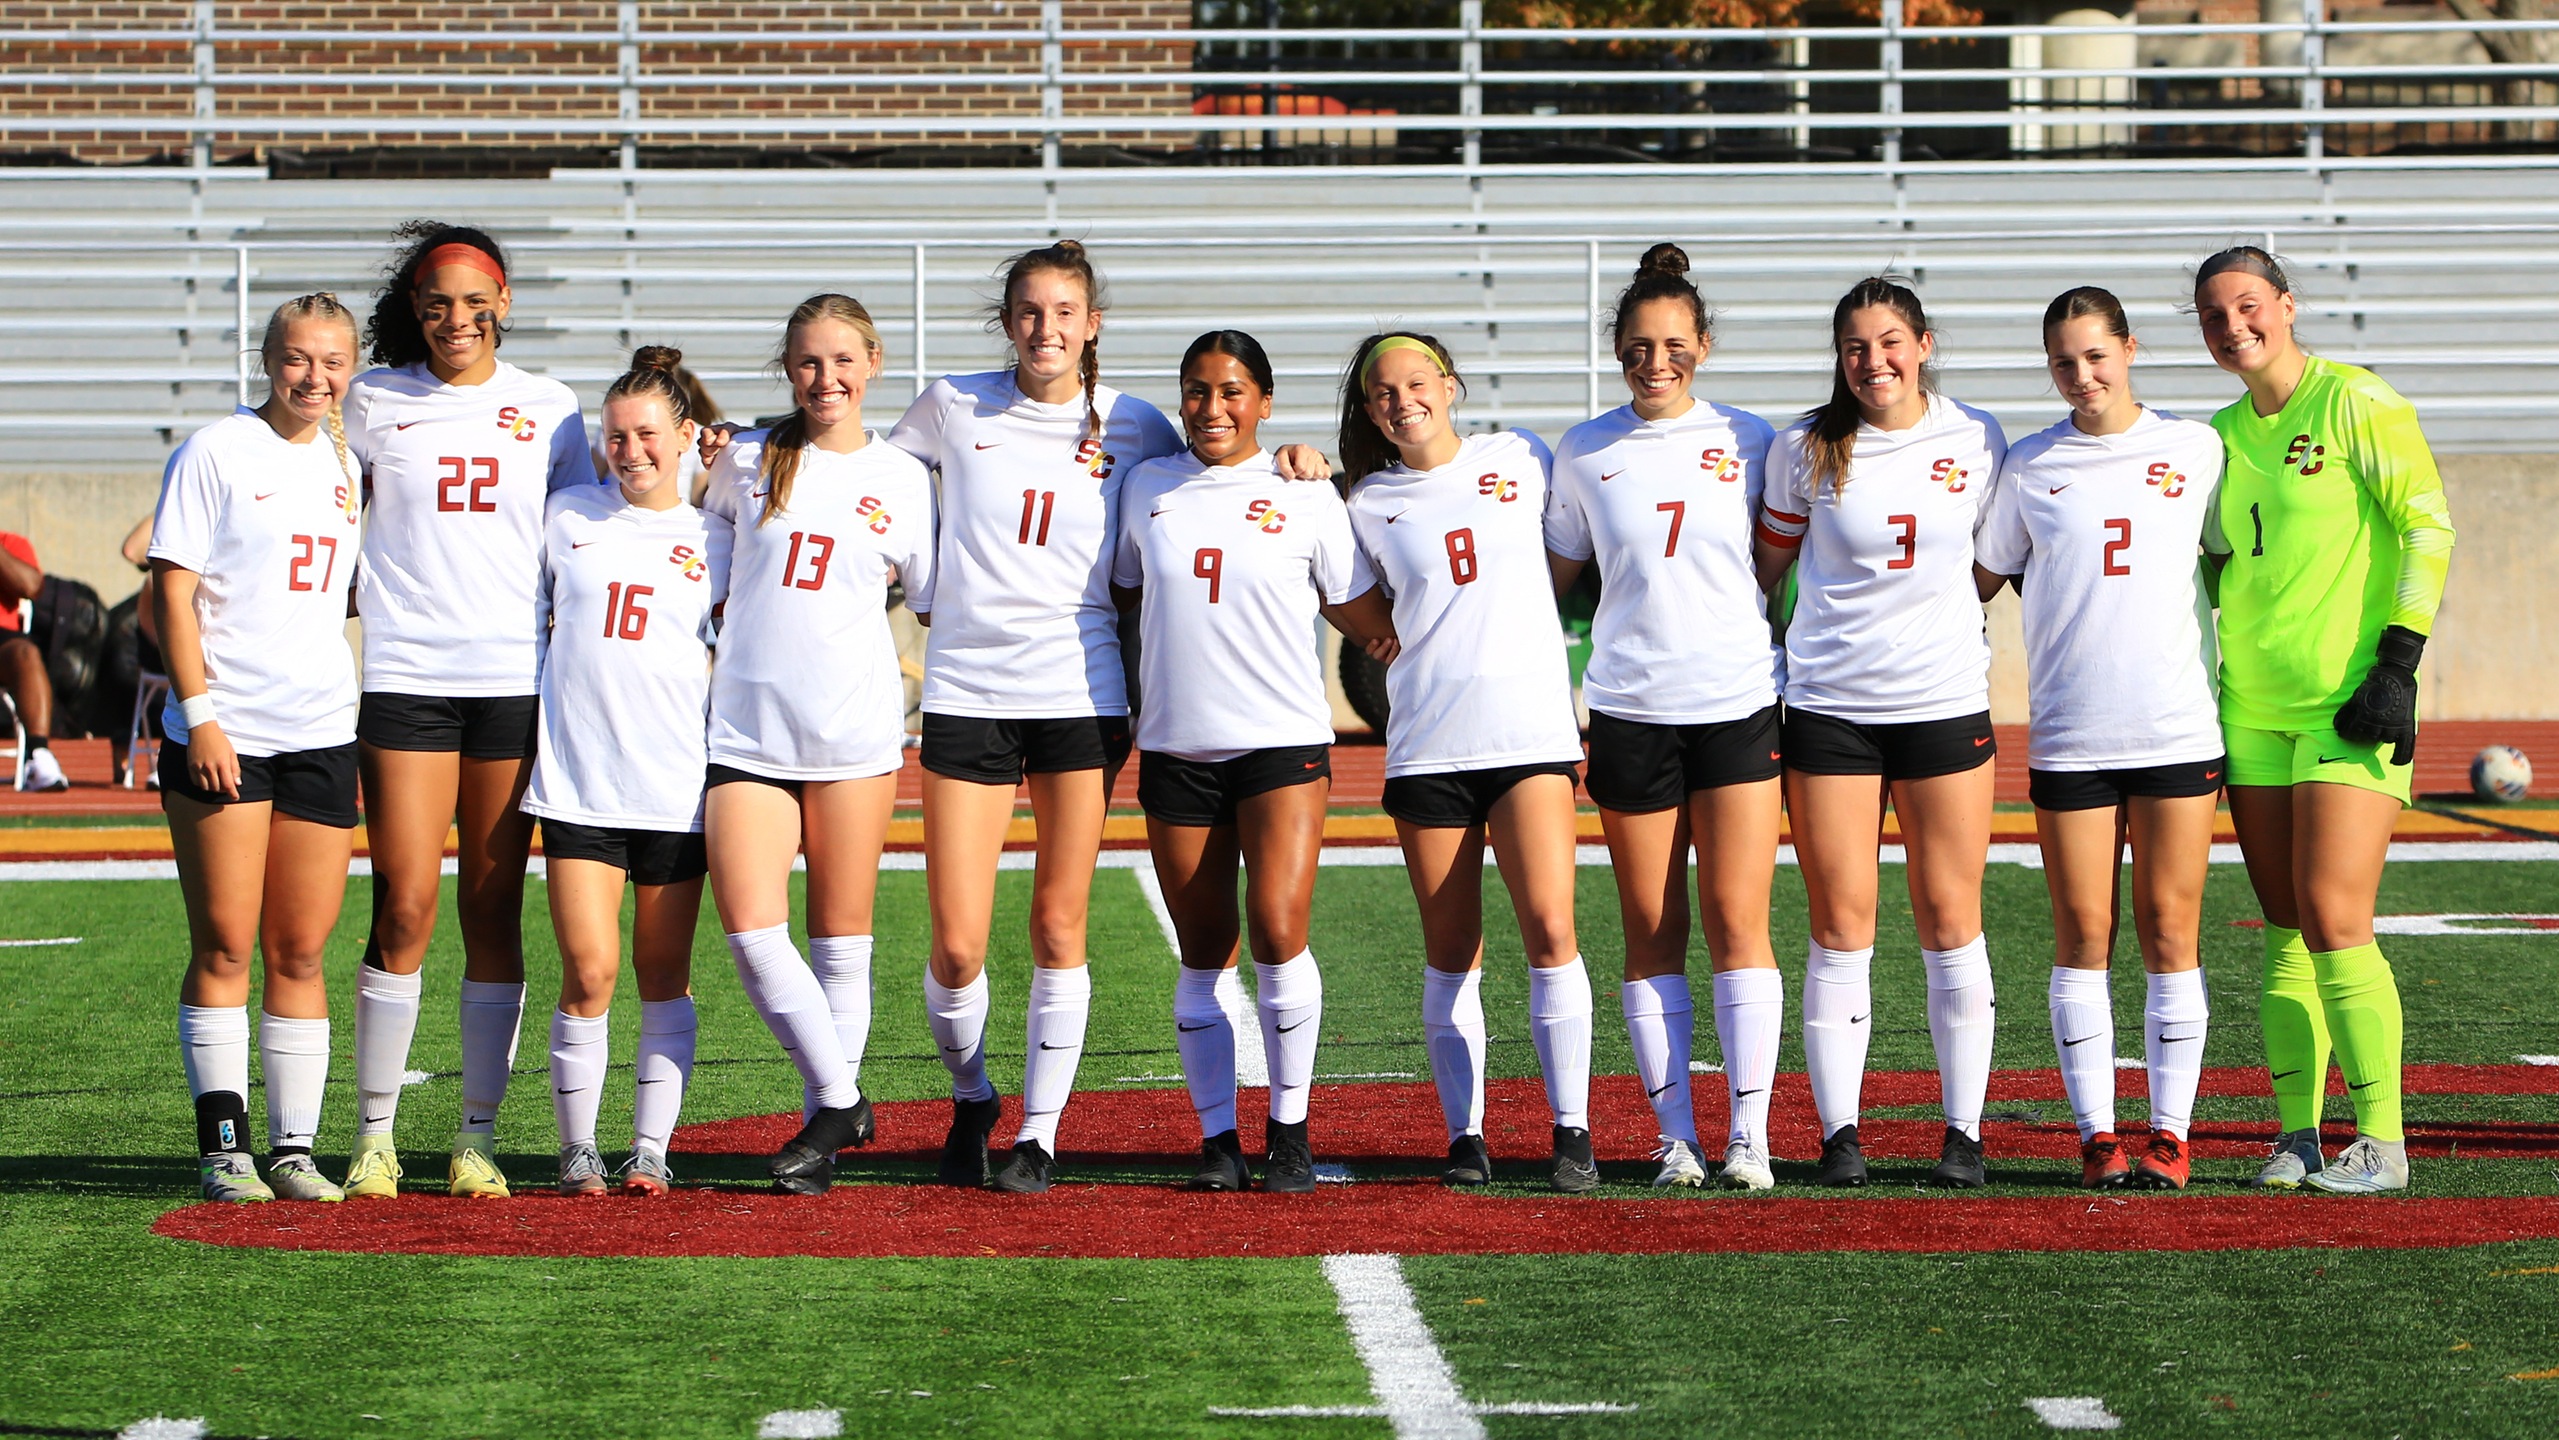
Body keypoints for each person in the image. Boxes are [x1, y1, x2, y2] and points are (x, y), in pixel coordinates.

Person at [881, 243, 1334, 1193]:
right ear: (1007, 323)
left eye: (1064, 313)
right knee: (957, 943)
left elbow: (1219, 485)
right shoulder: (950, 404)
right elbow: (867, 479)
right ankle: (972, 1097)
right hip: (965, 689)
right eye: (1029, 313)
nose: (1046, 330)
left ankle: (1035, 1137)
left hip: (1082, 698)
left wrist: (1300, 457)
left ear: (1092, 324)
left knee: (1059, 922)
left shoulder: (1138, 427)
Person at [2194, 246, 2456, 1194]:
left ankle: (2381, 1142)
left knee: (2337, 916)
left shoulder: (2357, 402)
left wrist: (2398, 664)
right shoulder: (2217, 436)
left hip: (2348, 703)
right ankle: (2297, 1135)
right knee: (2282, 924)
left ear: (2287, 305)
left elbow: (2429, 527)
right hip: (2250, 710)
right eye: (2214, 315)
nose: (2234, 327)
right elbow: (2219, 567)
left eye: (2248, 306)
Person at [1109, 330, 1397, 1193]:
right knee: (1204, 954)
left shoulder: (1303, 492)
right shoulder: (1142, 487)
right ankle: (1215, 1143)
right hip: (1175, 748)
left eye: (1232, 392)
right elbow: (1117, 594)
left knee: (1277, 930)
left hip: (1280, 744)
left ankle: (1290, 1130)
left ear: (1264, 403)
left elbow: (1361, 613)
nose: (1212, 408)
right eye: (1196, 391)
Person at [339, 222, 592, 1200]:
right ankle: (373, 1138)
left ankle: (475, 1137)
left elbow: (588, 533)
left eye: (473, 300)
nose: (456, 318)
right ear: (416, 306)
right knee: (404, 903)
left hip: (513, 682)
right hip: (405, 676)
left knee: (492, 908)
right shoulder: (370, 401)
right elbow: (301, 469)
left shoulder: (553, 409)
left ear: (504, 304)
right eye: (437, 300)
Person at [1753, 278, 2008, 1190]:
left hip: (1941, 703)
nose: (1875, 361)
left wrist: (1925, 631)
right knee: (1840, 924)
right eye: (1856, 346)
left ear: (1924, 343)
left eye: (1891, 341)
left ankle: (1963, 1134)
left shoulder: (1978, 437)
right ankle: (1840, 1136)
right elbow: (1767, 567)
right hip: (1829, 711)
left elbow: (1987, 563)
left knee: (1950, 919)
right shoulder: (1804, 448)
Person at [1974, 287, 2224, 1191]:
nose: (2081, 376)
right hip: (2072, 734)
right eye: (2061, 362)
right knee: (2083, 932)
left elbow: (2237, 559)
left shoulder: (2196, 448)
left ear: (2128, 348)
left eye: (2094, 355)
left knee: (2169, 930)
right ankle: (2094, 1137)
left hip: (2174, 725)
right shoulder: (2030, 464)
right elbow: (1977, 575)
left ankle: (2169, 1135)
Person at [1546, 244, 1785, 1191]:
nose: (1657, 362)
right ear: (1615, 349)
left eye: (1674, 345)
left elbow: (1781, 558)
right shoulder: (1584, 450)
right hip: (1630, 709)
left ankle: (1750, 1138)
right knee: (1650, 926)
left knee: (1739, 920)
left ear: (1705, 346)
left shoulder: (1756, 438)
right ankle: (1676, 1137)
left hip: (1734, 703)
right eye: (1639, 345)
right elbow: (1550, 583)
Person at [1338, 330, 1596, 1193]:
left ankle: (1571, 1132)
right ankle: (1465, 1136)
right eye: (1382, 391)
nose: (1401, 400)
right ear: (1366, 407)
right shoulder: (1363, 500)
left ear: (1448, 386)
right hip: (1427, 746)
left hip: (1527, 738)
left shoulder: (1520, 456)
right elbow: (1354, 606)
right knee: (1452, 953)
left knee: (1551, 932)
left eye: (1416, 382)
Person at [701, 296, 935, 1195]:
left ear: (872, 362)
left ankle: (820, 1137)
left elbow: (931, 595)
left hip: (853, 727)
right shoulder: (748, 459)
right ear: (787, 370)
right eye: (806, 362)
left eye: (842, 360)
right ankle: (842, 1098)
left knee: (841, 936)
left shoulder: (904, 476)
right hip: (747, 727)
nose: (825, 378)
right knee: (752, 928)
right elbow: (699, 538)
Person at [148, 294, 367, 1202]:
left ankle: (294, 1149)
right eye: (296, 359)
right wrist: (199, 714)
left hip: (322, 730)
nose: (313, 378)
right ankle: (225, 1145)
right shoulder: (215, 451)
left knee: (302, 950)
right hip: (227, 733)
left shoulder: (346, 462)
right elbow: (171, 588)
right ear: (266, 358)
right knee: (227, 944)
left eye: (332, 362)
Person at [523, 347, 728, 1197]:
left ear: (685, 436)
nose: (630, 450)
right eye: (615, 435)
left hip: (676, 791)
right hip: (577, 783)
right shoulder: (566, 514)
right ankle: (578, 1150)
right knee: (588, 970)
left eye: (647, 434)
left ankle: (649, 1147)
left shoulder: (718, 535)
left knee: (661, 975)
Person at [0, 529, 68, 793]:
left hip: (4, 642)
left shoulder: (11, 543)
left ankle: (39, 756)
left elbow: (31, 586)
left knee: (26, 654)